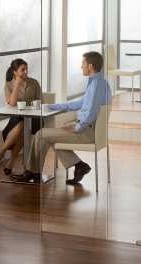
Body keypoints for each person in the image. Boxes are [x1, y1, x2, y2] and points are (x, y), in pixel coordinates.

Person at [15, 51, 111, 185]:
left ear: (90, 66)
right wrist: (52, 106)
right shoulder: (99, 82)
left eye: (83, 63)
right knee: (49, 136)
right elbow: (79, 104)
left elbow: (91, 112)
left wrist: (77, 127)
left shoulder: (96, 85)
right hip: (89, 129)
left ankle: (32, 172)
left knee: (40, 134)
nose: (81, 66)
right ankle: (78, 166)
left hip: (86, 132)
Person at [0, 58, 42, 175]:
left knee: (23, 125)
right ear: (15, 72)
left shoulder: (34, 82)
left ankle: (1, 152)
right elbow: (12, 103)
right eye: (22, 70)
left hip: (35, 118)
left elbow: (41, 101)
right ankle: (11, 163)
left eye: (26, 69)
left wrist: (31, 107)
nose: (26, 72)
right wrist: (17, 85)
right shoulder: (9, 85)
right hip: (16, 118)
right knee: (22, 128)